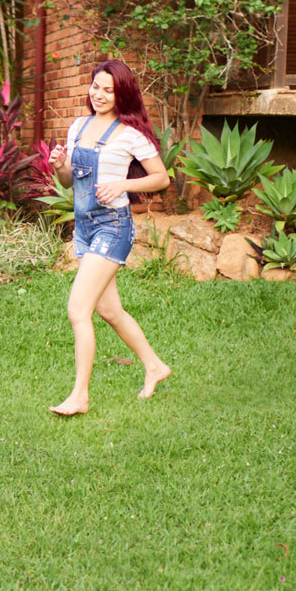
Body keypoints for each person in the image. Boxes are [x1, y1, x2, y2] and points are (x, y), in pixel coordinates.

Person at [47, 60, 174, 415]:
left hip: (113, 227)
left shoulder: (131, 134)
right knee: (109, 310)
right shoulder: (78, 126)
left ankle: (80, 396)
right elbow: (69, 181)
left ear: (122, 95)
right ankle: (154, 366)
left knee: (78, 309)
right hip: (85, 227)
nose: (99, 95)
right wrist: (60, 165)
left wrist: (122, 184)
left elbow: (162, 178)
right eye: (95, 87)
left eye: (108, 90)